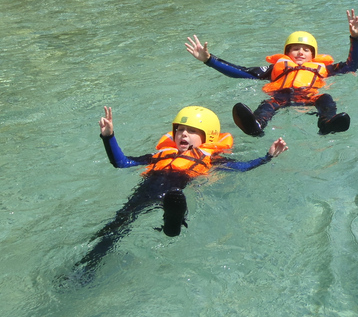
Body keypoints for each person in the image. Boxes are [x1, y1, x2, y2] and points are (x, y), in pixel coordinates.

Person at [72, 106, 287, 283]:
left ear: (208, 138)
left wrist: (266, 157)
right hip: (145, 192)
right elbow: (121, 163)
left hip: (174, 194)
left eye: (191, 131)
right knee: (115, 226)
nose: (183, 134)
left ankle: (172, 223)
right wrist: (108, 137)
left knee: (175, 199)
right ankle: (88, 264)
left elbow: (241, 166)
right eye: (180, 130)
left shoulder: (210, 160)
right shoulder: (158, 156)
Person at [186, 9, 358, 136]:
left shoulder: (323, 69)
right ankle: (256, 125)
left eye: (306, 50)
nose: (301, 52)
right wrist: (209, 60)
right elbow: (241, 72)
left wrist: (355, 38)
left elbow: (351, 66)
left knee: (326, 99)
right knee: (266, 105)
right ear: (286, 53)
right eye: (295, 49)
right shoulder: (274, 69)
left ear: (313, 55)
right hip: (280, 96)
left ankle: (327, 123)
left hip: (309, 96)